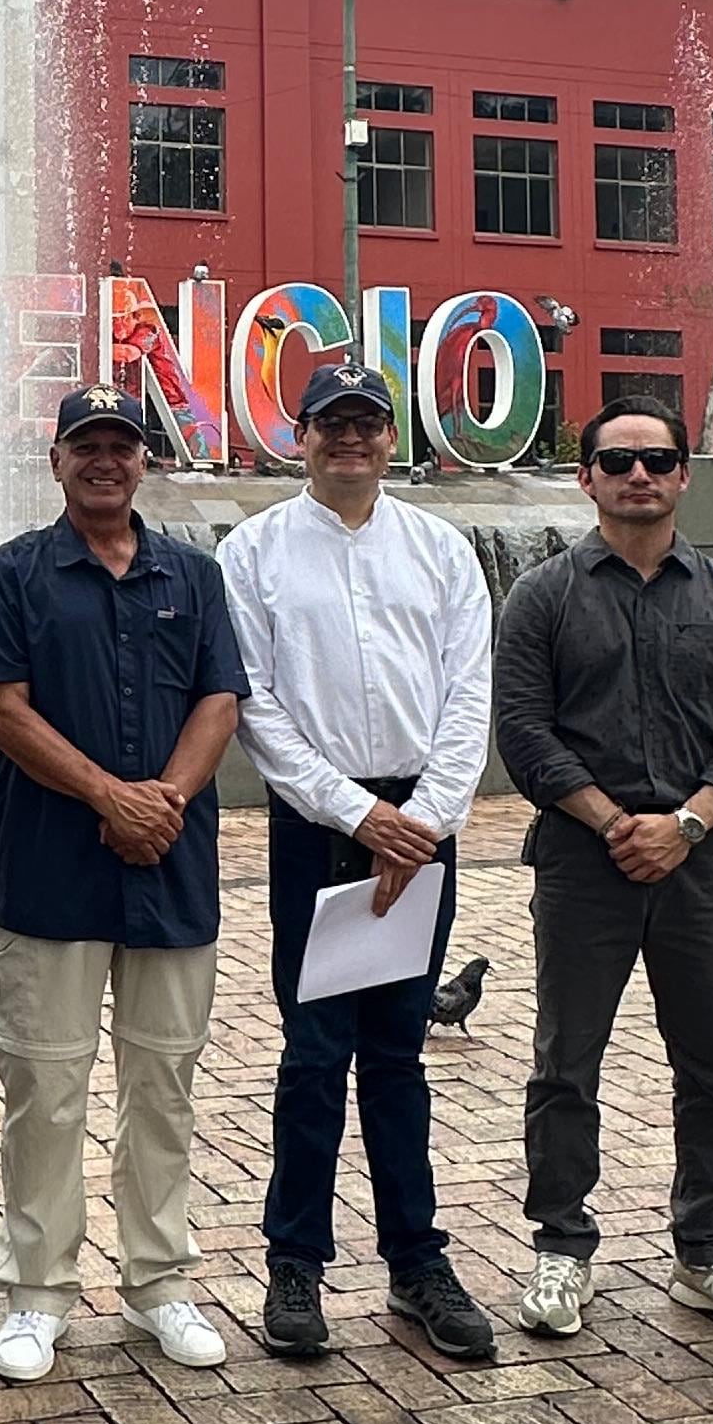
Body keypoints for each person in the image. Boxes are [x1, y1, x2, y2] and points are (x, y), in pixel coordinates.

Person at [490, 404, 713, 1344]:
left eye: (657, 459)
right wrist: (617, 820)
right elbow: (525, 735)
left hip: (700, 867)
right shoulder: (542, 595)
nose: (638, 475)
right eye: (616, 460)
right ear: (585, 478)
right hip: (584, 862)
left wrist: (689, 823)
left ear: (682, 475)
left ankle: (709, 1253)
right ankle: (560, 1247)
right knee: (565, 1063)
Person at [219, 357, 496, 1364]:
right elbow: (255, 705)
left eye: (367, 424)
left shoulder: (439, 549)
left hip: (421, 821)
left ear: (391, 438)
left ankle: (416, 1260)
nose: (350, 440)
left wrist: (420, 820)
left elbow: (470, 693)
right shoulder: (253, 552)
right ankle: (294, 1264)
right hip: (319, 827)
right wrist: (354, 815)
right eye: (331, 423)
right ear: (301, 436)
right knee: (313, 1053)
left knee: (396, 1053)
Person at [0, 382, 247, 1379]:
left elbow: (220, 699)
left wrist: (161, 802)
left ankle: (159, 1282)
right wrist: (107, 799)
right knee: (43, 1086)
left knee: (161, 1084)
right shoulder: (13, 575)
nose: (105, 460)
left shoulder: (195, 575)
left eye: (122, 445)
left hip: (172, 868)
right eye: (86, 444)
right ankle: (36, 1293)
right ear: (56, 460)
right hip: (53, 869)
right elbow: (2, 708)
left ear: (143, 460)